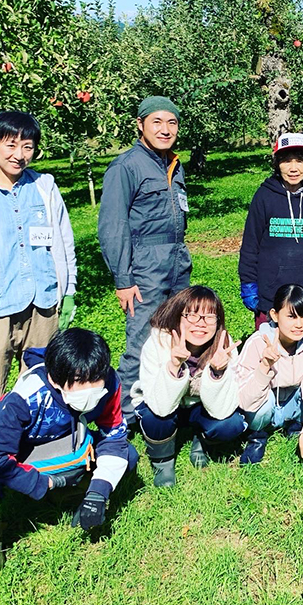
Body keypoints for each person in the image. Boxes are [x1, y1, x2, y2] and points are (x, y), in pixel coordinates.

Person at [0, 328, 137, 573]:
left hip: (65, 437)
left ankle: (75, 490)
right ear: (55, 379)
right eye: (78, 381)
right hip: (3, 446)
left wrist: (99, 491)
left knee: (128, 455)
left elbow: (115, 436)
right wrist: (46, 483)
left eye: (95, 378)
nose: (89, 388)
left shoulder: (109, 382)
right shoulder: (26, 397)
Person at [0, 111, 77, 427]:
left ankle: (27, 450)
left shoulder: (44, 186)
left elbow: (63, 240)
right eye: (10, 145)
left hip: (43, 302)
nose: (19, 155)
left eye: (28, 146)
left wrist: (69, 289)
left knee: (37, 381)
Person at [98, 96, 191, 426]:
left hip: (177, 260)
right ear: (140, 125)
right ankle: (123, 416)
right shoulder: (127, 166)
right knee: (141, 339)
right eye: (157, 122)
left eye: (172, 123)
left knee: (177, 335)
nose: (165, 130)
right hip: (145, 266)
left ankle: (166, 400)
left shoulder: (173, 164)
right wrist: (123, 278)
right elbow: (113, 225)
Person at [130, 286, 246, 487]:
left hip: (199, 406)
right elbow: (161, 406)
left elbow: (222, 411)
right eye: (192, 316)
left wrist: (217, 372)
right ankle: (163, 463)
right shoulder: (158, 342)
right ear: (178, 316)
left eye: (210, 317)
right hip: (162, 405)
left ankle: (201, 440)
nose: (201, 324)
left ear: (218, 322)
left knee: (231, 424)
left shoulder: (223, 348)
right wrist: (174, 365)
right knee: (154, 417)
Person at [236, 284, 303, 477]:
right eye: (291, 316)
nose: (299, 324)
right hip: (266, 403)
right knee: (260, 405)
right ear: (274, 315)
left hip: (294, 400)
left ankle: (297, 429)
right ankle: (258, 436)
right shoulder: (257, 342)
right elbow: (244, 400)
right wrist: (265, 366)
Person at [239, 133, 303, 329]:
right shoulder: (264, 197)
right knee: (268, 350)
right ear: (277, 163)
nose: (293, 168)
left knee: (302, 348)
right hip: (270, 292)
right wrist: (249, 284)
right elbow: (250, 245)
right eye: (286, 161)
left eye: (300, 161)